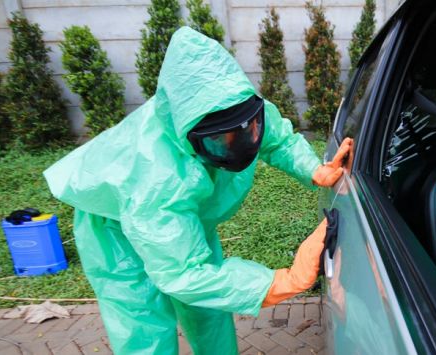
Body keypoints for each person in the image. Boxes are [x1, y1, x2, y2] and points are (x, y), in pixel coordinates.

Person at [44, 27, 353, 354]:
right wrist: (282, 281)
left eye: (248, 130)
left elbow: (278, 139)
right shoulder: (157, 179)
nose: (241, 144)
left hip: (184, 215)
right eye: (220, 140)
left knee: (209, 309)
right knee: (144, 320)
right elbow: (185, 274)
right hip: (115, 223)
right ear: (188, 137)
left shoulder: (241, 107)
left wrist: (313, 168)